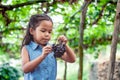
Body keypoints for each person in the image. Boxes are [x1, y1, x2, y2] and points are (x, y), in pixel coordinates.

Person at [21, 14, 76, 80]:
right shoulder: (27, 48)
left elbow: (72, 59)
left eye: (50, 32)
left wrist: (65, 45)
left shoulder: (52, 48)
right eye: (43, 31)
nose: (47, 34)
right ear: (32, 31)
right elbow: (25, 69)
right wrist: (42, 56)